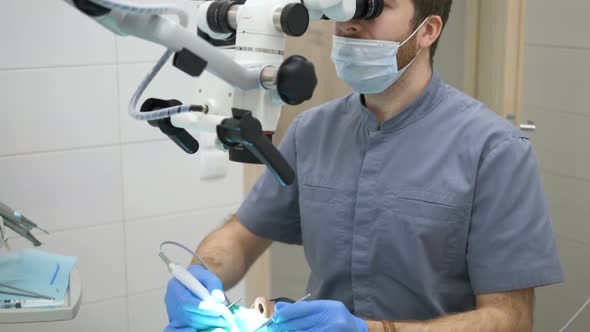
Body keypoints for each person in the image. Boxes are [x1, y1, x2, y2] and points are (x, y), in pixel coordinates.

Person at [164, 0, 564, 331]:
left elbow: (510, 319)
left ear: (427, 30)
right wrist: (202, 279)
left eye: (372, 7)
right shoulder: (312, 131)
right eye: (344, 8)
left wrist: (374, 331)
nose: (350, 22)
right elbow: (240, 235)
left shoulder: (494, 151)